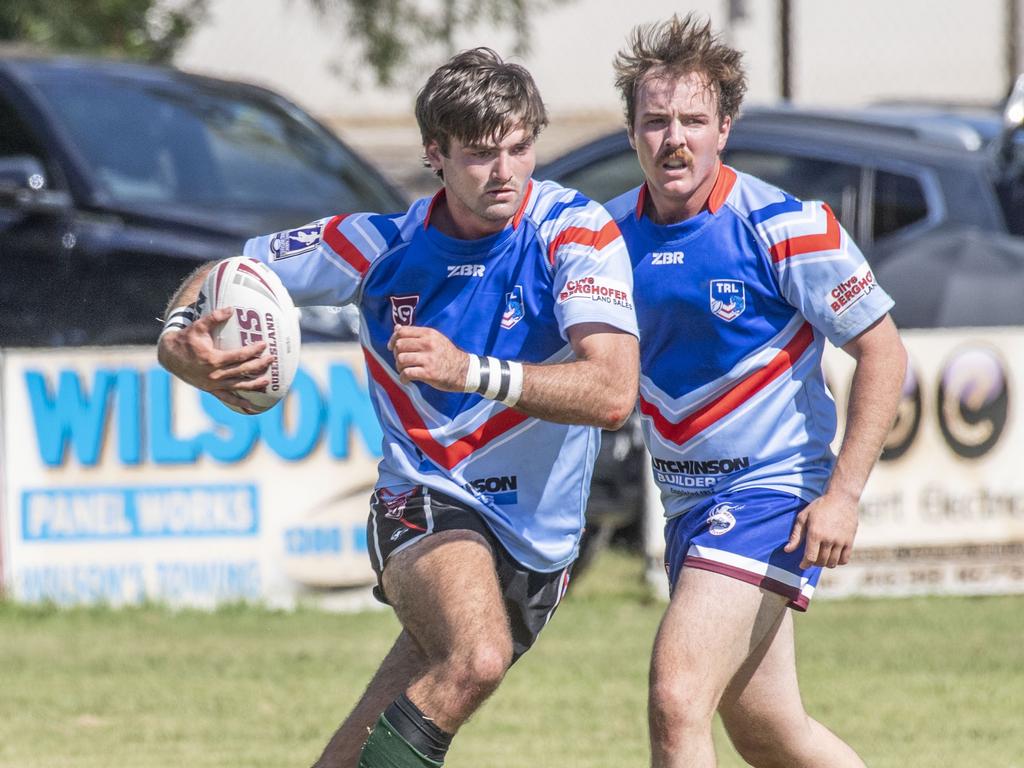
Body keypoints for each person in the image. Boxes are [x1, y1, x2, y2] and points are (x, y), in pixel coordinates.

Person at [156, 48, 639, 768]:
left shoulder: (574, 232)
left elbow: (611, 392)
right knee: (475, 658)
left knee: (396, 714)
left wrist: (468, 370)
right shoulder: (380, 245)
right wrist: (177, 343)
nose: (505, 172)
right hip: (426, 496)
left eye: (520, 148)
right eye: (480, 154)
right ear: (434, 155)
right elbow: (225, 273)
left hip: (540, 536)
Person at [605, 15, 907, 768]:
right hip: (688, 508)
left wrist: (843, 493)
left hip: (770, 495)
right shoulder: (605, 237)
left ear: (724, 128)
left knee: (677, 697)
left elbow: (884, 352)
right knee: (771, 732)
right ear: (633, 131)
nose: (674, 138)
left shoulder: (785, 226)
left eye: (693, 120)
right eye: (655, 120)